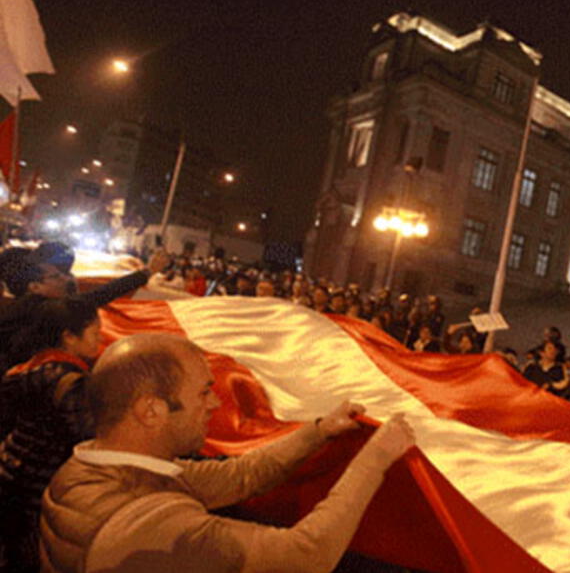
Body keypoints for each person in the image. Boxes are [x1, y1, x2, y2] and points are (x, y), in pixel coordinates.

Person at [39, 333, 417, 573]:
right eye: (204, 392)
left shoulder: (93, 466)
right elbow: (307, 555)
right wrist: (377, 458)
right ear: (151, 410)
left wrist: (319, 431)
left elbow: (242, 475)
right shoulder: (146, 521)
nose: (216, 403)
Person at [0, 298, 102, 572]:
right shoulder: (70, 383)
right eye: (95, 334)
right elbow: (89, 438)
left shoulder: (29, 368)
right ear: (68, 337)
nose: (100, 341)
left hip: (12, 474)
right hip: (40, 486)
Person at [0, 245, 170, 371]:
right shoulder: (44, 310)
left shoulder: (20, 307)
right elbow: (101, 294)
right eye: (56, 276)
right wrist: (147, 272)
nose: (65, 279)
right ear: (34, 287)